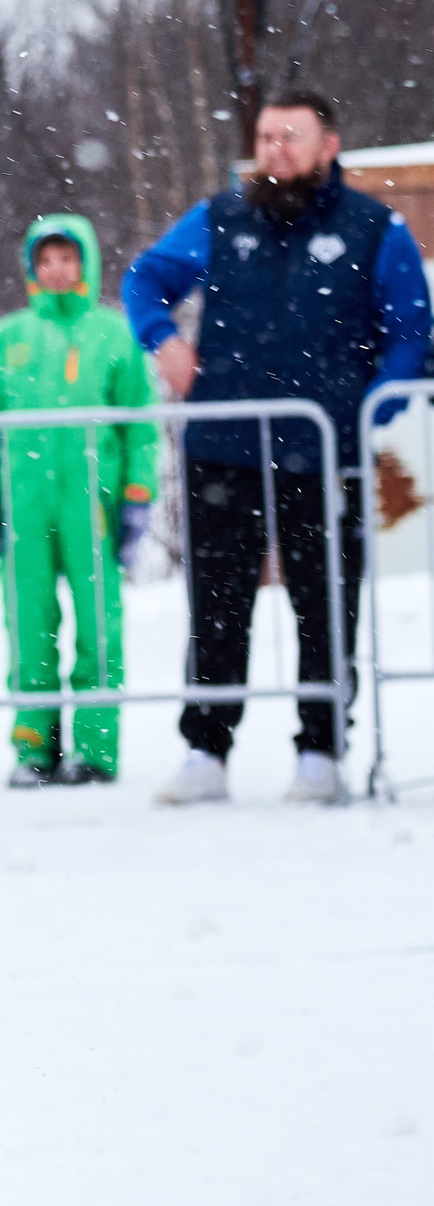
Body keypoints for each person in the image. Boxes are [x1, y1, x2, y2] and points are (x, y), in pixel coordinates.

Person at [125, 89, 431, 806]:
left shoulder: (372, 228)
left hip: (325, 451)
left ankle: (321, 749)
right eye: (265, 137)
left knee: (325, 601)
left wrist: (368, 409)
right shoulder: (221, 217)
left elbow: (412, 333)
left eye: (290, 137)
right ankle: (206, 748)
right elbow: (145, 278)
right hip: (222, 445)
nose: (274, 151)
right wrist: (162, 341)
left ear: (328, 146)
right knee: (217, 603)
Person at [0, 215, 157, 788]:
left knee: (100, 624)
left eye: (67, 259)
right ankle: (33, 747)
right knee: (29, 623)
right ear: (32, 268)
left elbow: (141, 426)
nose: (56, 270)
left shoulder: (113, 335)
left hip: (93, 506)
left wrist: (138, 496)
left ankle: (96, 750)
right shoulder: (9, 339)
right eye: (45, 260)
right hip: (25, 507)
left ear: (85, 264)